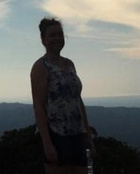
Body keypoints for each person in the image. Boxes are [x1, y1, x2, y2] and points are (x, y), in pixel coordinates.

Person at [31, 17, 95, 174]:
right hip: (56, 134)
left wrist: (88, 135)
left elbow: (78, 101)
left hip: (77, 133)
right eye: (52, 35)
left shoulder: (70, 64)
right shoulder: (41, 67)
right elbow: (39, 107)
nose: (57, 38)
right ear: (43, 39)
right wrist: (47, 143)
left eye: (60, 34)